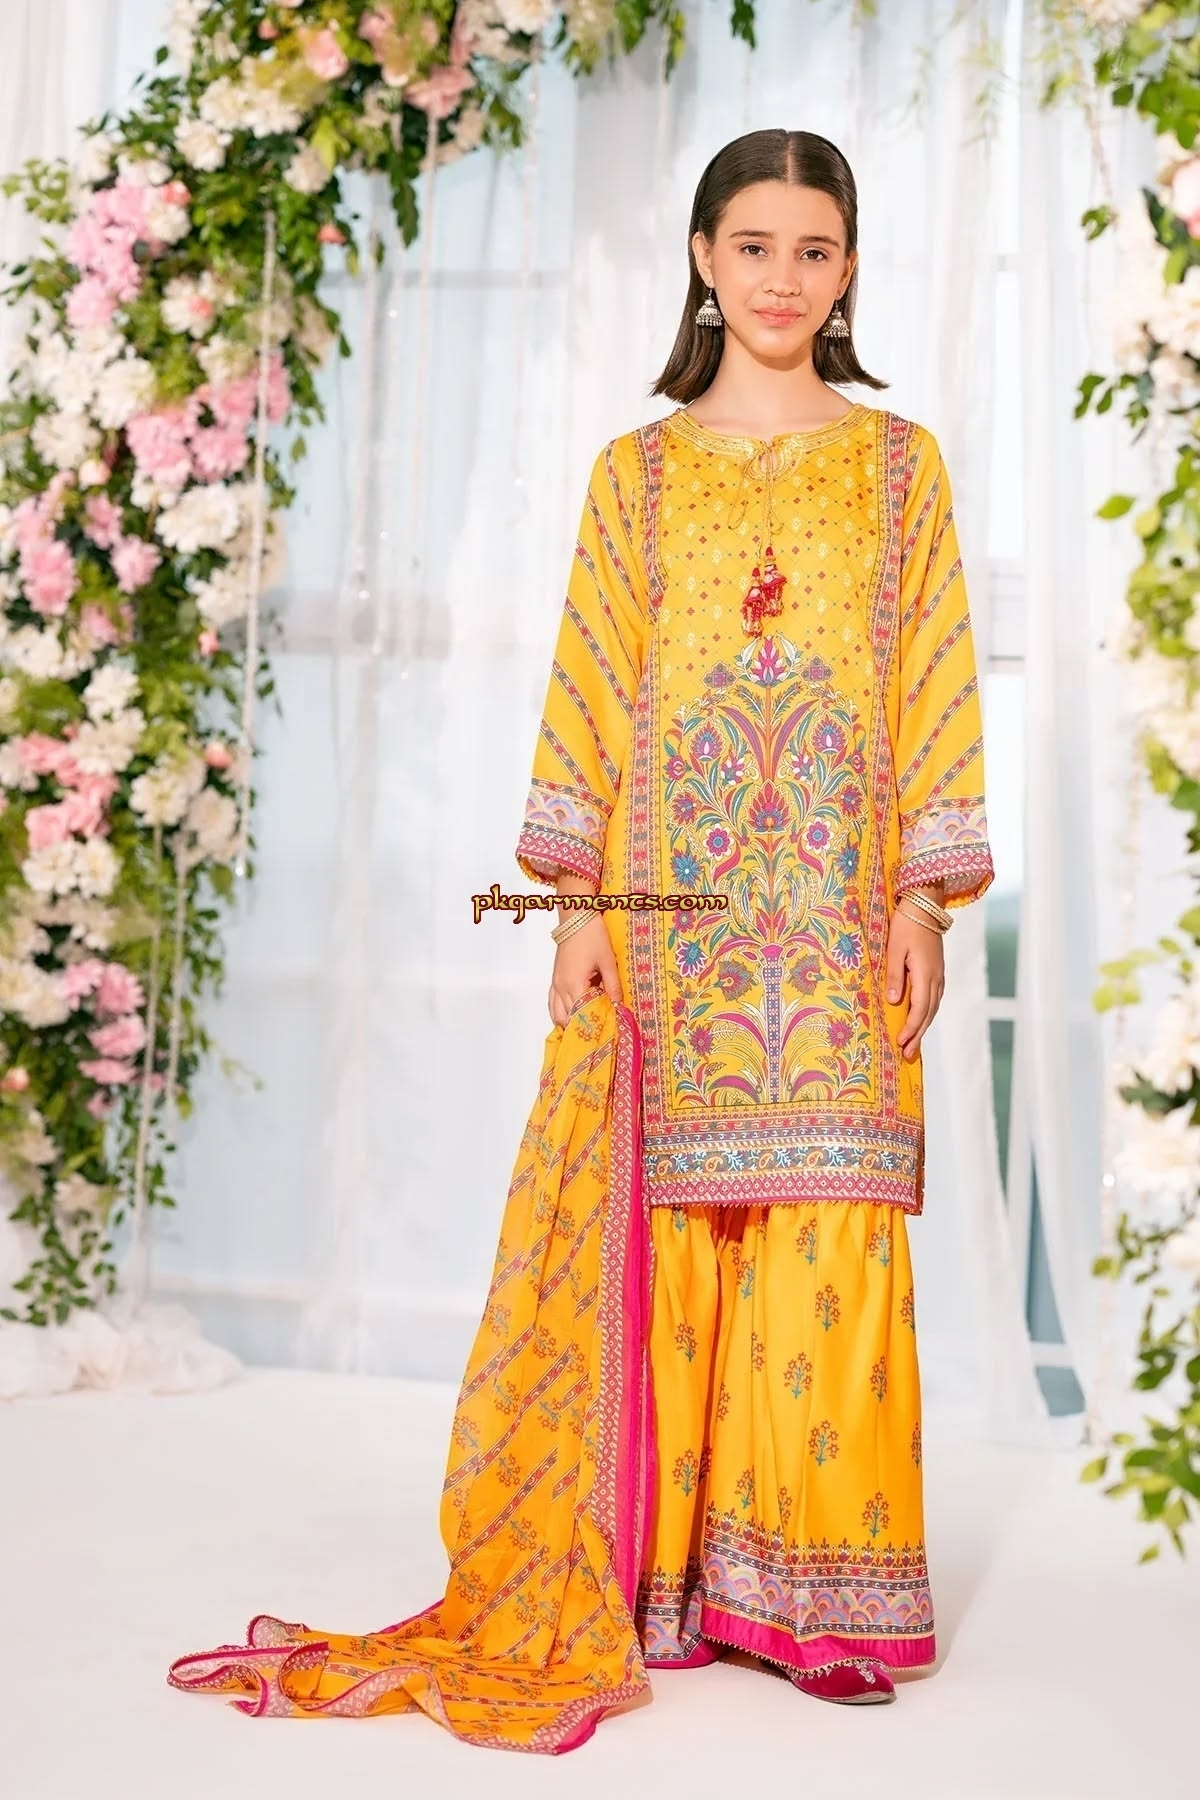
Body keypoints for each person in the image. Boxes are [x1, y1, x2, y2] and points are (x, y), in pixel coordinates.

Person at [167, 127, 993, 1748]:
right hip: (673, 927)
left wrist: (921, 899)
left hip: (835, 921)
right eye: (753, 245)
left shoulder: (900, 469)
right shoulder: (642, 475)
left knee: (830, 1218)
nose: (782, 278)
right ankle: (665, 1583)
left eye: (814, 250)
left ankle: (817, 1602)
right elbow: (592, 691)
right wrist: (578, 912)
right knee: (667, 1228)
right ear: (702, 258)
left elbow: (936, 683)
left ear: (849, 270)